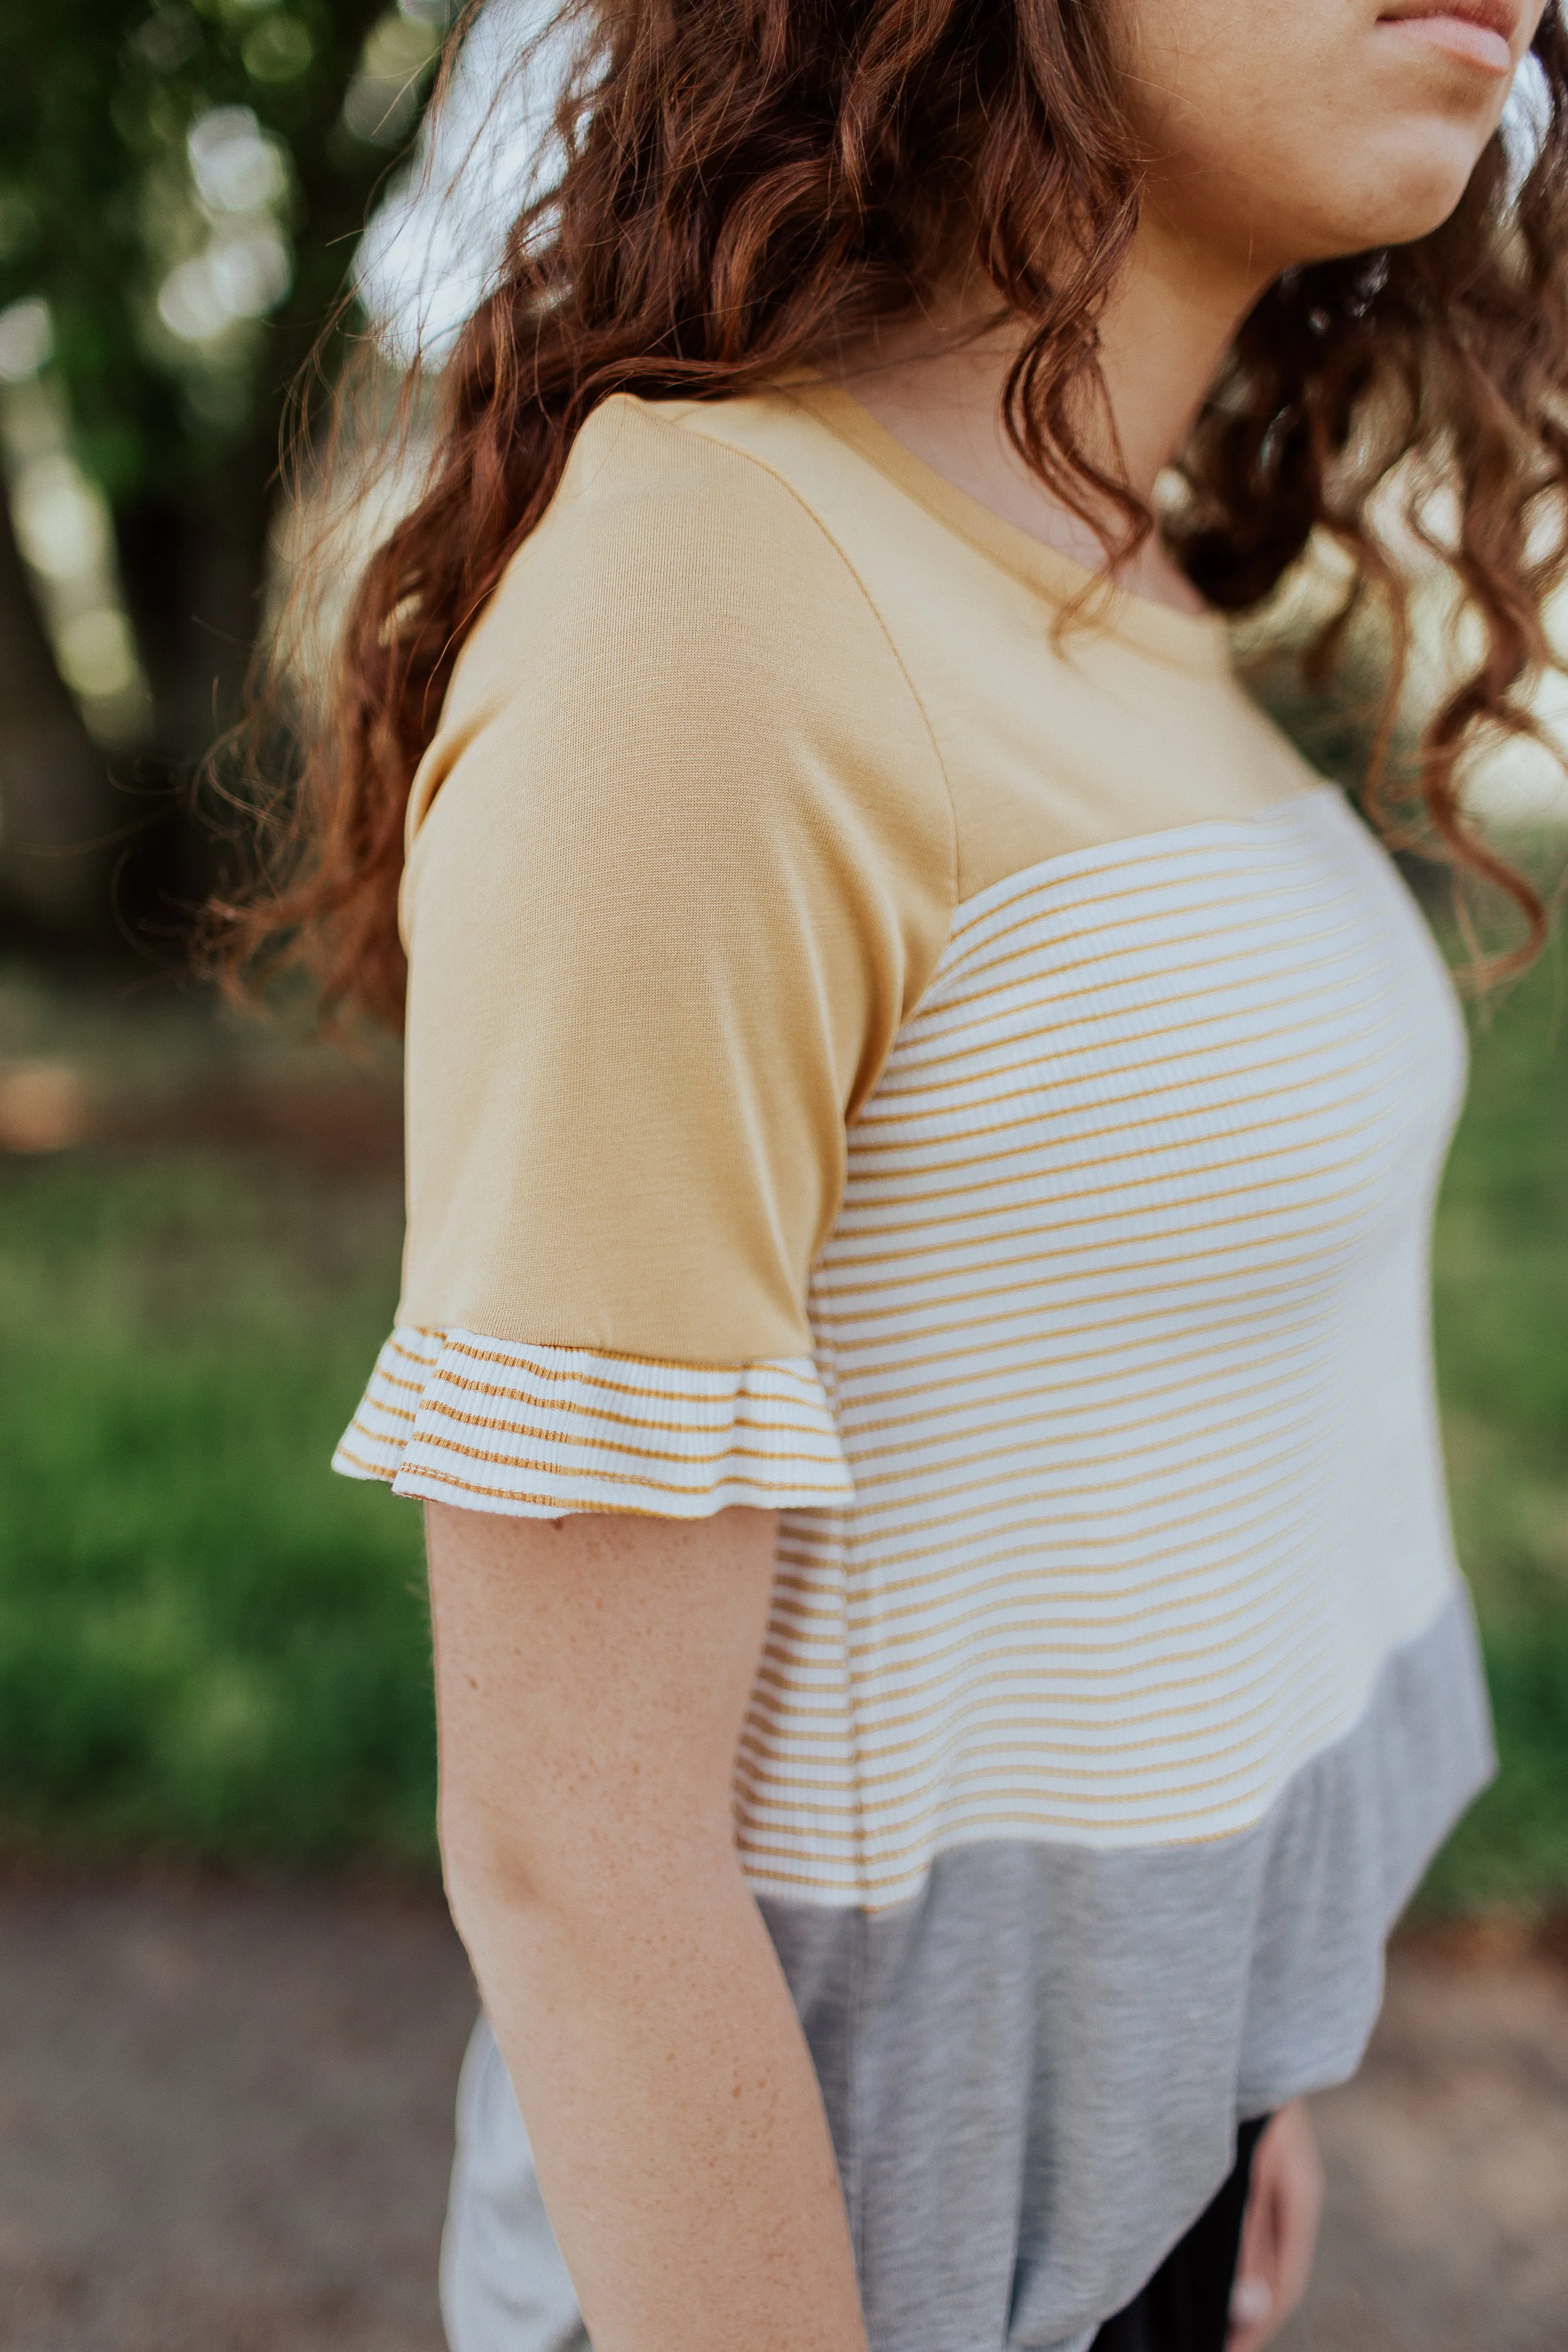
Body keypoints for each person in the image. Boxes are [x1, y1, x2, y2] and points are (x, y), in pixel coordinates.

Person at [227, 2, 1568, 2346]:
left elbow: (1128, 1444)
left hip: (1118, 2197)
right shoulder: (718, 598)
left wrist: (1218, 2071)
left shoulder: (1125, 595)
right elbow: (572, 1849)